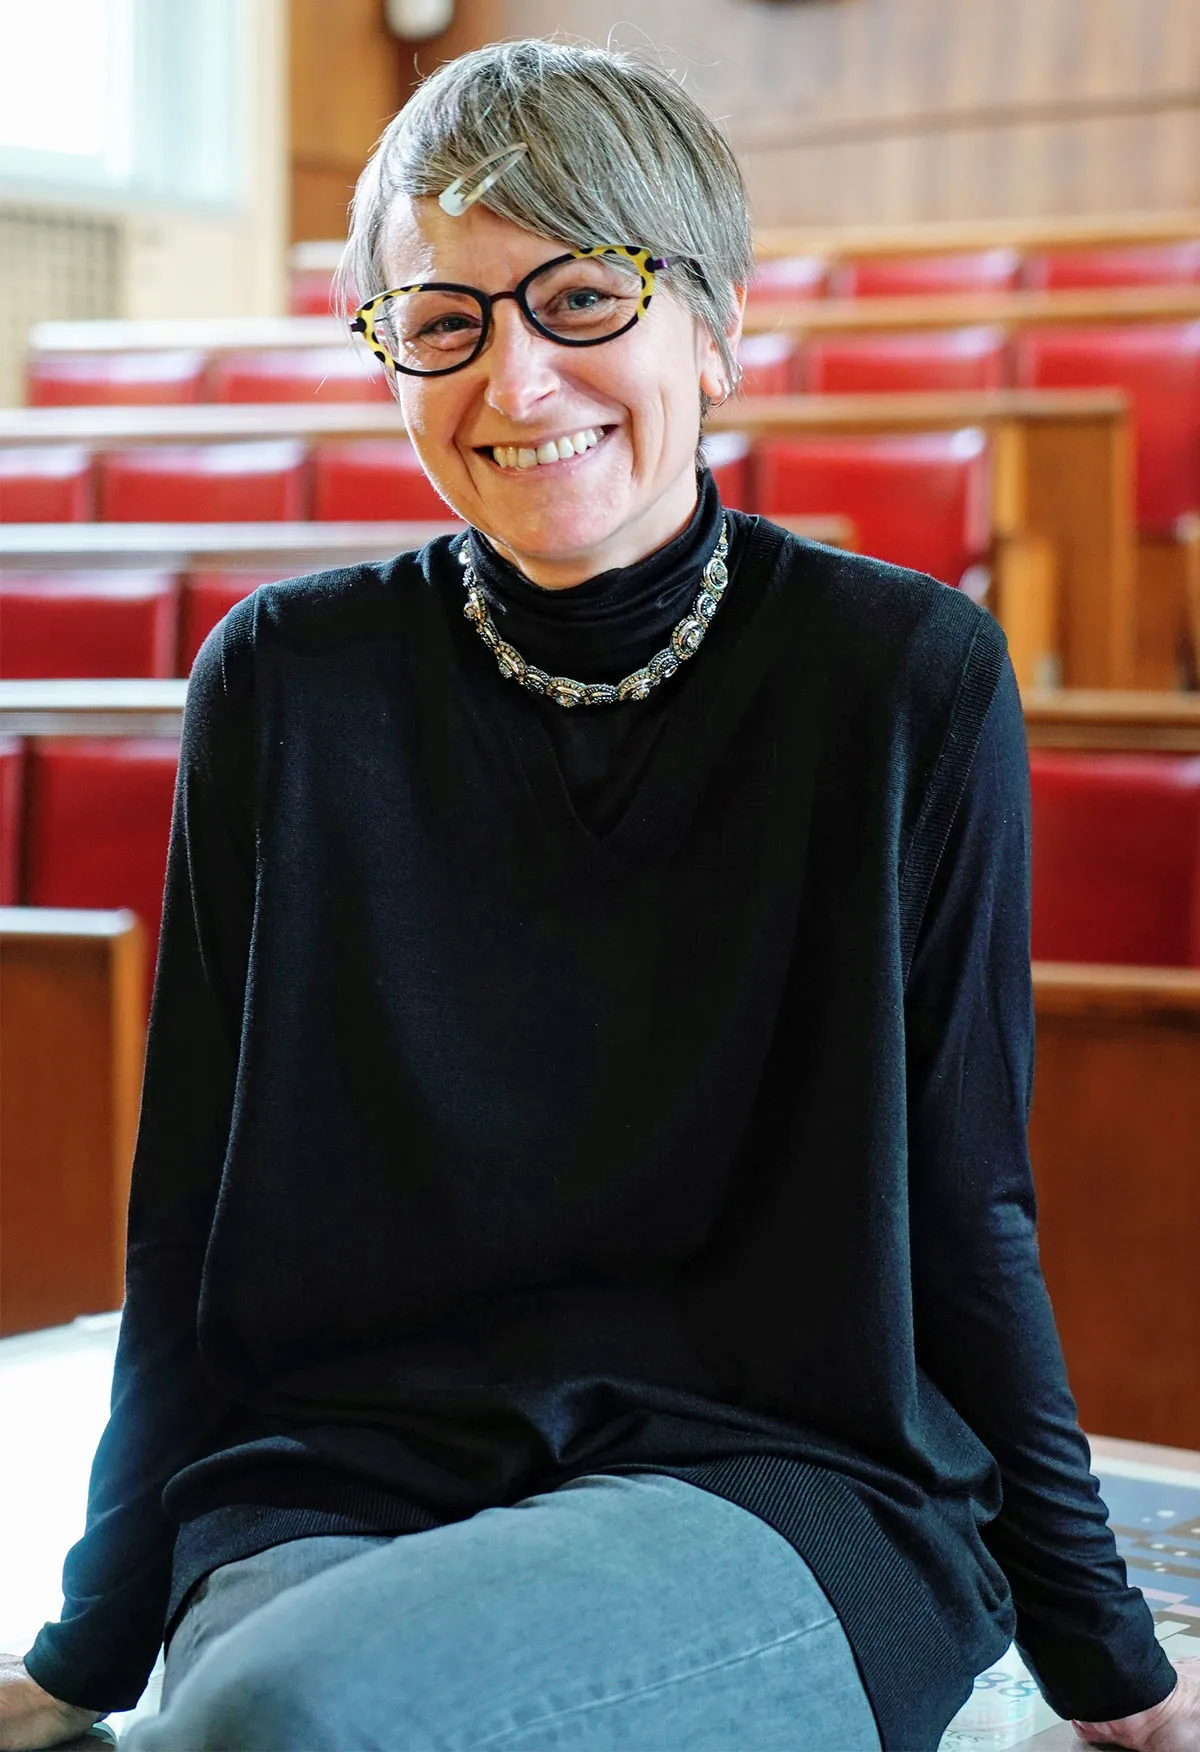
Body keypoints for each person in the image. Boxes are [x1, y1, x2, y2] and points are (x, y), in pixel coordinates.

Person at [1, 36, 1197, 1752]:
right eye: (443, 322)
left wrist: (1115, 1673)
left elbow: (966, 1205)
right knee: (255, 1722)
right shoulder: (285, 682)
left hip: (776, 1481)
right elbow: (186, 1200)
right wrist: (90, 1646)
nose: (515, 380)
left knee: (294, 1717)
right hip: (342, 1467)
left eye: (579, 298)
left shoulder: (900, 676)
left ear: (713, 326)